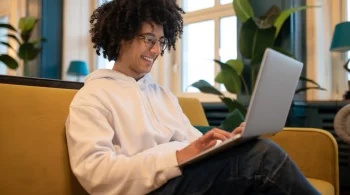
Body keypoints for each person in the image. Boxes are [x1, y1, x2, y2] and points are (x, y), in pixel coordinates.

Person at [65, 0, 321, 194]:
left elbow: (194, 144)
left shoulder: (164, 96)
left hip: (186, 178)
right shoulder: (92, 97)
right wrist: (175, 158)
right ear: (121, 38)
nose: (155, 50)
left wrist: (228, 143)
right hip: (150, 189)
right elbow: (96, 174)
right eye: (148, 39)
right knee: (263, 157)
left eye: (161, 42)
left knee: (254, 152)